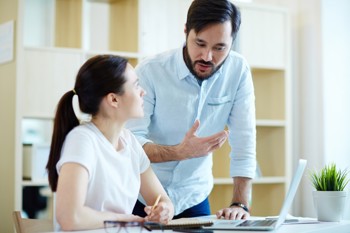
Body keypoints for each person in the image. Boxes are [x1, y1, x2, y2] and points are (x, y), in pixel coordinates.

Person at [127, 0, 256, 220]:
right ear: (186, 30)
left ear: (232, 41)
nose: (207, 57)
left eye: (219, 48)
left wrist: (240, 204)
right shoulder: (151, 72)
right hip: (143, 197)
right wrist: (180, 152)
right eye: (200, 43)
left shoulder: (238, 70)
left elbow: (244, 140)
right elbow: (130, 142)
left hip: (193, 195)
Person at [46, 55, 174, 231]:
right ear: (114, 99)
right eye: (136, 85)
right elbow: (69, 217)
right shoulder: (83, 140)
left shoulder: (130, 142)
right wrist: (124, 219)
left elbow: (161, 198)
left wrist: (165, 209)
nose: (143, 92)